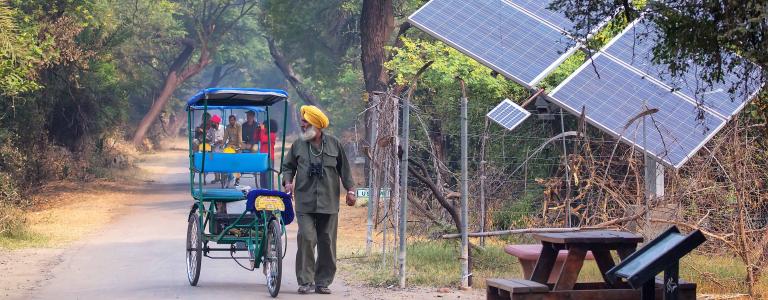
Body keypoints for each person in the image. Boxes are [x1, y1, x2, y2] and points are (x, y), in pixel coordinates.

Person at [282, 105, 356, 295]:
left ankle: (322, 281)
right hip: (304, 201)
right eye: (303, 121)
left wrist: (351, 191)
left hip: (329, 202)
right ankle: (305, 281)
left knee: (327, 241)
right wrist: (288, 182)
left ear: (317, 125)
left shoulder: (334, 144)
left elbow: (345, 170)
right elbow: (288, 166)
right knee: (307, 237)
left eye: (306, 122)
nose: (303, 124)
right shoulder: (299, 144)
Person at [258, 119, 278, 189]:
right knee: (262, 178)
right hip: (262, 157)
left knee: (268, 178)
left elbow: (263, 140)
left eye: (265, 126)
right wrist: (258, 130)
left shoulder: (272, 135)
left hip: (269, 158)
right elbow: (256, 138)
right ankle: (263, 191)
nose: (264, 128)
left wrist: (262, 130)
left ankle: (270, 192)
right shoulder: (263, 133)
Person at [224, 115, 243, 186]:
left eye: (232, 120)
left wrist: (240, 145)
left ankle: (237, 179)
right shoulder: (228, 127)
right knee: (227, 158)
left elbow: (239, 136)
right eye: (230, 120)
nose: (231, 121)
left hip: (238, 145)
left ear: (235, 120)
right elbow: (225, 137)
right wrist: (222, 144)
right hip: (230, 145)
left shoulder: (239, 126)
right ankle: (227, 175)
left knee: (237, 163)